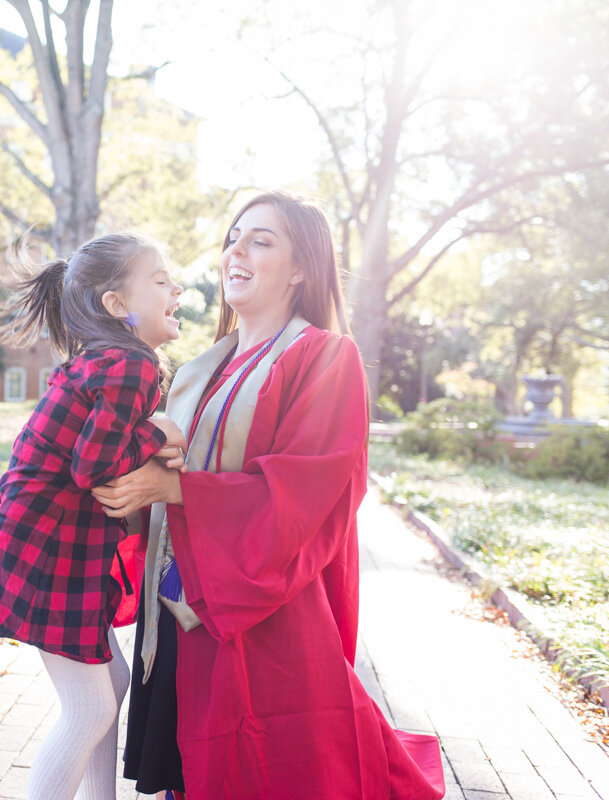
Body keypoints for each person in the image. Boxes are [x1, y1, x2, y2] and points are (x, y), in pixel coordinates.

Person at [92, 192, 446, 799]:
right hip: (179, 611)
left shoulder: (325, 357)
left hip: (258, 620)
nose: (237, 249)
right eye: (234, 236)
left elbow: (306, 491)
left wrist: (173, 487)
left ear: (303, 267)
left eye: (261, 240)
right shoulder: (206, 367)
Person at [0, 232, 188, 800]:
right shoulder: (128, 363)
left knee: (108, 685)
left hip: (47, 545)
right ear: (118, 306)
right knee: (89, 709)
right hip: (48, 554)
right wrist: (158, 433)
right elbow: (95, 464)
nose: (177, 289)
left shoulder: (110, 358)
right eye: (160, 281)